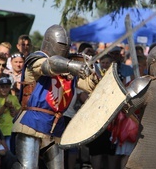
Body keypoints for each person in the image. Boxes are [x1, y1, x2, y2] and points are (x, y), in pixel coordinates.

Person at [12, 24, 98, 169]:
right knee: (27, 167)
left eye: (66, 45)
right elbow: (49, 66)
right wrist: (72, 65)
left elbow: (91, 86)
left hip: (55, 126)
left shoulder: (69, 69)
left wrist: (91, 71)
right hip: (32, 121)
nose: (63, 48)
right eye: (60, 44)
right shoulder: (35, 58)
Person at [0, 77, 21, 150]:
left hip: (12, 129)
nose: (4, 89)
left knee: (11, 149)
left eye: (7, 87)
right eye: (2, 87)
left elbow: (19, 110)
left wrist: (13, 109)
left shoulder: (13, 98)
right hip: (1, 129)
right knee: (3, 149)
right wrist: (4, 106)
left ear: (10, 88)